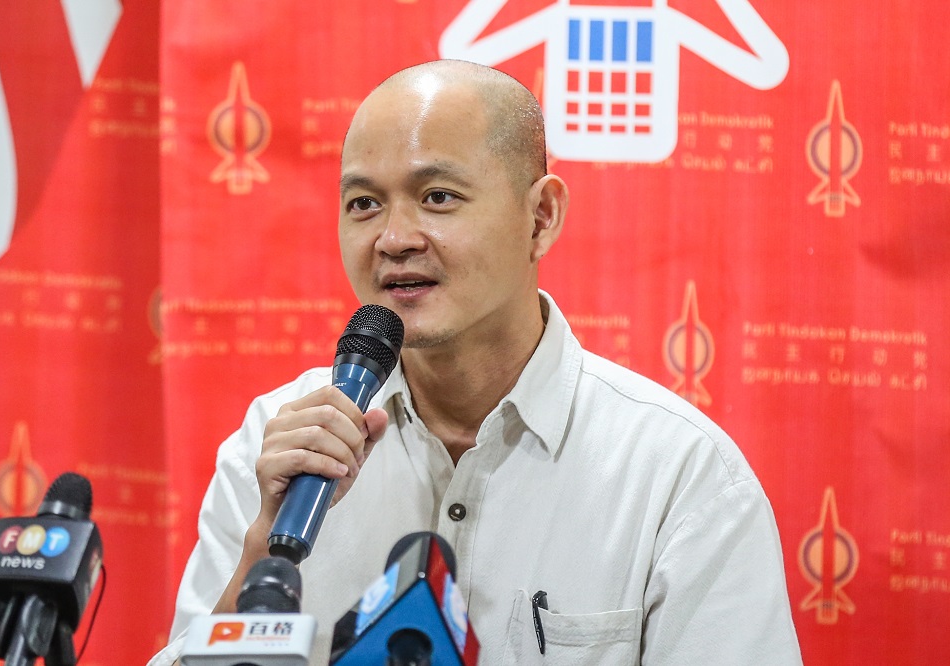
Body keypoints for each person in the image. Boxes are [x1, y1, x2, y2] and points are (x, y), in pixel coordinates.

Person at [150, 59, 802, 665]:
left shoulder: (678, 475)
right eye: (363, 204)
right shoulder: (280, 444)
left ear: (540, 216)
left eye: (437, 196)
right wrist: (263, 548)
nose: (394, 238)